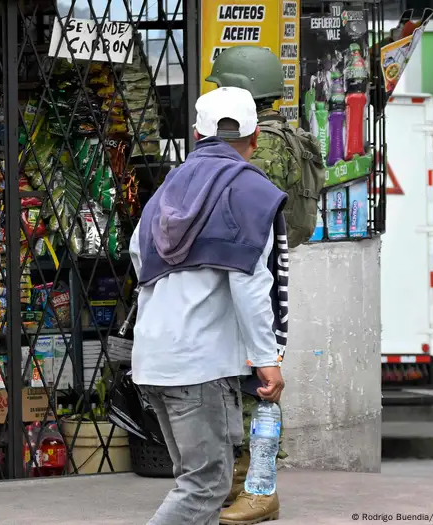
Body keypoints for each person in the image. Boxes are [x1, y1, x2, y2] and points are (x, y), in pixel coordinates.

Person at [130, 86, 288, 525]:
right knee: (206, 485)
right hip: (197, 364)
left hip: (153, 355)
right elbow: (250, 282)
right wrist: (266, 358)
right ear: (255, 138)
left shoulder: (168, 188)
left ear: (197, 134)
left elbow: (139, 258)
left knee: (194, 479)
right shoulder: (249, 191)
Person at [208, 45, 319, 524]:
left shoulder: (266, 143)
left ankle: (260, 487)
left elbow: (246, 207)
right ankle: (240, 478)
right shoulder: (286, 132)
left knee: (261, 379)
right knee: (244, 375)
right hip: (263, 264)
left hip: (259, 267)